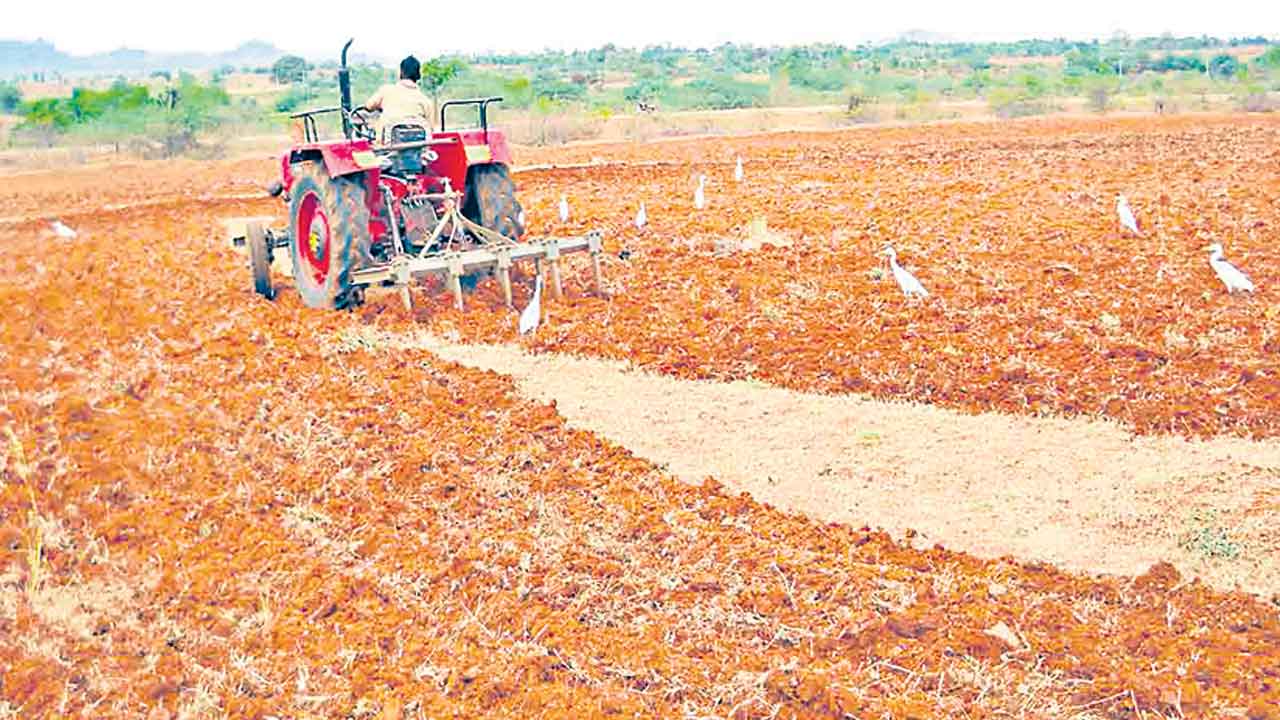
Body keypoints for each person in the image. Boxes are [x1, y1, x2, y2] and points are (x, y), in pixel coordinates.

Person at [364, 55, 433, 140]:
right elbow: (431, 128)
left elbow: (368, 106)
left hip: (388, 148)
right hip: (417, 149)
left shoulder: (386, 91)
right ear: (418, 75)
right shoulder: (425, 101)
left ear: (401, 72)